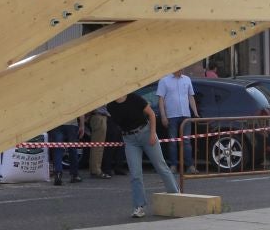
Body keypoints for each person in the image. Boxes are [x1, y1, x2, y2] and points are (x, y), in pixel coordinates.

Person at [109, 89, 179, 219]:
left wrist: (153, 134)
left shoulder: (134, 98)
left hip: (146, 133)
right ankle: (139, 206)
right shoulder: (110, 106)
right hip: (129, 139)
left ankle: (176, 195)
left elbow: (151, 114)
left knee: (160, 166)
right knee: (135, 173)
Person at [156, 66, 199, 170]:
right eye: (180, 69)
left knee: (186, 141)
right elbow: (160, 99)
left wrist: (195, 112)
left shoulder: (187, 79)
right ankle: (173, 165)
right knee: (172, 141)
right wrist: (163, 116)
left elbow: (191, 96)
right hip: (171, 115)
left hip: (186, 114)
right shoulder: (164, 80)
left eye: (182, 69)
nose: (182, 70)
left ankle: (190, 165)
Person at [48, 116, 82, 186]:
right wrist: (82, 125)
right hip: (72, 124)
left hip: (57, 123)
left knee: (57, 148)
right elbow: (81, 110)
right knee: (72, 149)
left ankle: (58, 174)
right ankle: (74, 175)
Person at [83, 103, 112, 179]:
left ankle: (94, 169)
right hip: (99, 117)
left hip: (97, 117)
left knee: (97, 146)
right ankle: (96, 170)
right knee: (98, 146)